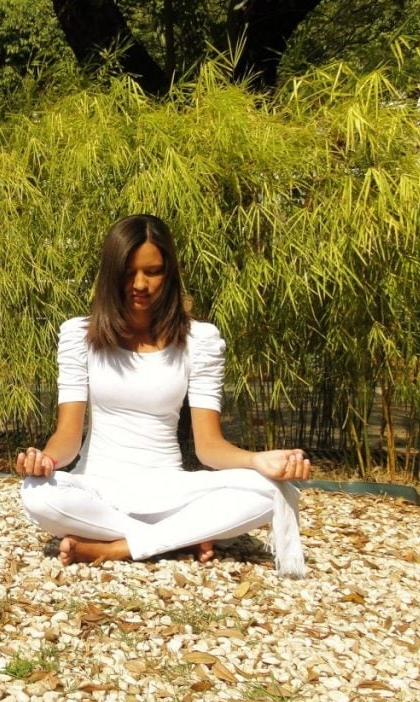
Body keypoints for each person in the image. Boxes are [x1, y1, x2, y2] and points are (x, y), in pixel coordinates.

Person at [17, 214, 311, 577]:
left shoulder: (199, 340)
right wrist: (43, 460)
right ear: (111, 273)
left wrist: (257, 461)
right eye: (128, 273)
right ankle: (183, 538)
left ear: (169, 272)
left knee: (274, 491)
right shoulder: (80, 336)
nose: (139, 284)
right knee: (37, 493)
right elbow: (67, 438)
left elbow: (209, 448)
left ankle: (123, 547)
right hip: (97, 488)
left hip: (169, 488)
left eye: (152, 272)